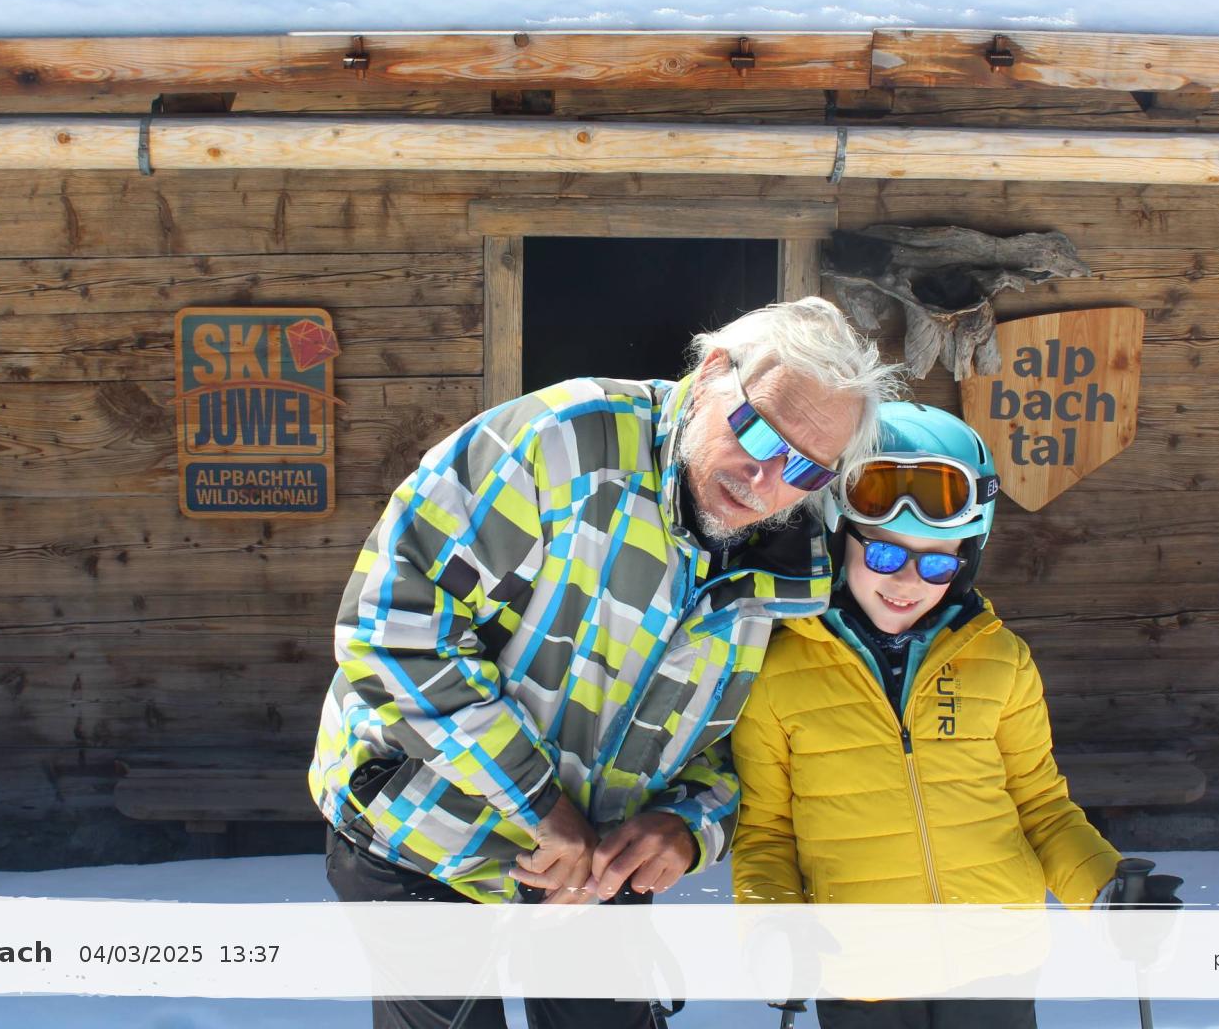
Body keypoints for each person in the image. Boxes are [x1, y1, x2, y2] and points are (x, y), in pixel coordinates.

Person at [309, 297, 901, 1029]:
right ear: (712, 373)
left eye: (806, 469)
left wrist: (687, 825)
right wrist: (540, 806)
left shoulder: (794, 572)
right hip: (425, 829)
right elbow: (389, 630)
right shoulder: (561, 445)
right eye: (756, 431)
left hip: (596, 867)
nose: (766, 478)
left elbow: (755, 746)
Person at [731, 402, 1133, 1029]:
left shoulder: (1000, 662)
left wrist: (1109, 891)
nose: (908, 582)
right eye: (885, 555)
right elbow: (766, 833)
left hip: (997, 968)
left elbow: (1042, 809)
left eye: (938, 563)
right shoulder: (777, 674)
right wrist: (774, 928)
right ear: (838, 539)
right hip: (861, 975)